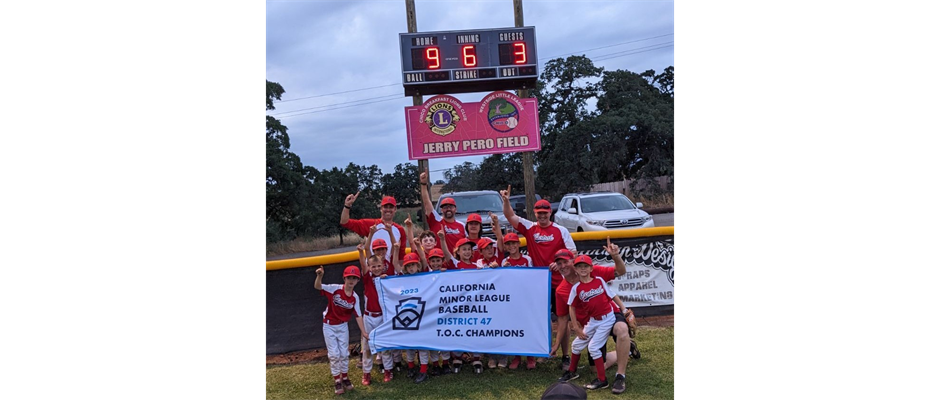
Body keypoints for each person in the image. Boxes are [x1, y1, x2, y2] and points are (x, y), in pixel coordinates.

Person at [552, 238, 633, 394]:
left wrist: (616, 256)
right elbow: (564, 317)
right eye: (559, 263)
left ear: (573, 262)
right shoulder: (563, 289)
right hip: (592, 323)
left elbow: (619, 275)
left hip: (609, 315)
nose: (563, 266)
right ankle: (626, 349)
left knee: (621, 329)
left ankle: (619, 376)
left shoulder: (594, 274)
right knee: (593, 365)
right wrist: (559, 342)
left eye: (565, 262)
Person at [559, 255, 618, 390]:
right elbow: (571, 306)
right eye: (580, 267)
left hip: (606, 319)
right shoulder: (576, 287)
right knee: (576, 345)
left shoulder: (599, 280)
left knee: (593, 348)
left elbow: (612, 295)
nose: (583, 269)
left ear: (591, 268)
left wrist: (624, 310)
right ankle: (572, 372)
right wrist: (576, 327)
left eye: (586, 266)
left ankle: (602, 380)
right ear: (576, 269)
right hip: (593, 321)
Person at [314, 265, 368, 395]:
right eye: (349, 277)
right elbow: (318, 286)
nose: (351, 280)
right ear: (344, 278)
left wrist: (364, 333)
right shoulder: (335, 289)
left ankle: (345, 377)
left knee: (344, 354)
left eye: (354, 278)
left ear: (357, 281)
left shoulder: (354, 297)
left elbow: (358, 315)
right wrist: (319, 276)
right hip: (329, 325)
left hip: (342, 326)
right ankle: (337, 380)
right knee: (334, 355)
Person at [355, 242, 395, 384]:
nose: (377, 268)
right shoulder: (367, 277)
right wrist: (361, 252)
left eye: (379, 266)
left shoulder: (386, 277)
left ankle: (388, 370)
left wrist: (386, 279)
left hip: (383, 316)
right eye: (374, 266)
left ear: (383, 265)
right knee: (366, 346)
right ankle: (366, 373)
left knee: (384, 345)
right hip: (369, 316)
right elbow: (363, 264)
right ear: (370, 267)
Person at [498, 232, 536, 370]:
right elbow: (503, 282)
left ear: (519, 244)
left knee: (528, 327)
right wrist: (506, 270)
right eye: (508, 244)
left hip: (526, 298)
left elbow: (533, 277)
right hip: (513, 300)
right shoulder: (505, 261)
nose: (512, 246)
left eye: (514, 243)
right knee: (515, 328)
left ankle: (530, 356)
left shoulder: (527, 259)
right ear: (506, 247)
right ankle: (517, 356)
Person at [341, 193, 407, 263]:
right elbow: (345, 222)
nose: (388, 210)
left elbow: (401, 255)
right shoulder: (371, 225)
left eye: (391, 207)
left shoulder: (400, 230)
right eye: (385, 207)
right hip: (372, 269)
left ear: (395, 209)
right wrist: (347, 206)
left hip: (391, 270)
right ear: (381, 208)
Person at [399, 253, 433, 384]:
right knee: (409, 344)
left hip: (423, 315)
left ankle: (423, 370)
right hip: (409, 315)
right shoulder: (401, 279)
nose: (411, 267)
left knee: (422, 345)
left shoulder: (425, 277)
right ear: (405, 268)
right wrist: (384, 279)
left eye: (413, 264)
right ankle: (411, 367)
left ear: (418, 266)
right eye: (408, 266)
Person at [419, 169, 466, 251]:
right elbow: (426, 202)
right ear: (441, 210)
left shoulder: (462, 226)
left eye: (450, 207)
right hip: (438, 262)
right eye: (445, 207)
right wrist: (423, 184)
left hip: (456, 262)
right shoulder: (436, 220)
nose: (448, 209)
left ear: (455, 209)